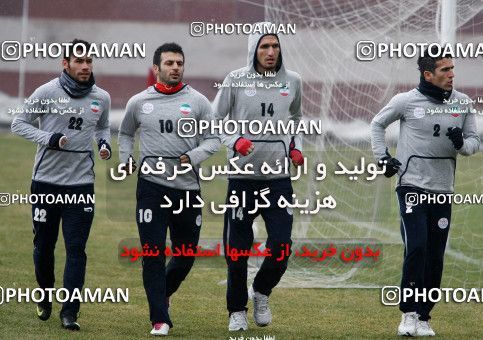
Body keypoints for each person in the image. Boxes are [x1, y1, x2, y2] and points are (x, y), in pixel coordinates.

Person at [370, 45, 480, 337]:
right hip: (411, 186)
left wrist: (461, 144)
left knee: (435, 255)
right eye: (445, 70)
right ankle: (407, 313)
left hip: (443, 190)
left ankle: (424, 316)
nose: (451, 74)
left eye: (452, 68)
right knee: (416, 246)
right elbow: (377, 124)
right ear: (428, 74)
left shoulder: (463, 103)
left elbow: (473, 143)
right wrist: (383, 158)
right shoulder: (406, 101)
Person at [118, 42, 220, 336]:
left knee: (186, 254)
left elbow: (213, 140)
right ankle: (159, 319)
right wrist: (126, 159)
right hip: (151, 188)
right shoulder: (139, 102)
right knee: (152, 253)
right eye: (169, 63)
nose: (175, 68)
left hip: (187, 190)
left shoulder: (199, 102)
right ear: (156, 68)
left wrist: (194, 156)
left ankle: (162, 295)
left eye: (179, 63)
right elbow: (125, 133)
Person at [11, 39, 111, 331]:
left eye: (89, 62)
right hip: (45, 184)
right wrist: (49, 139)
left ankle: (70, 312)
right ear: (65, 63)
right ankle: (44, 295)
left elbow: (103, 125)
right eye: (79, 61)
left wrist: (103, 143)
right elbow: (19, 124)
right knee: (43, 246)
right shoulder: (47, 92)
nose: (85, 67)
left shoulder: (101, 97)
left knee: (77, 249)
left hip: (81, 186)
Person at [213, 22, 304, 331]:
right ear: (253, 49)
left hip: (277, 178)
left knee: (281, 247)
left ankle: (261, 291)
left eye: (275, 46)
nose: (270, 52)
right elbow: (215, 120)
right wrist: (234, 140)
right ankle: (236, 310)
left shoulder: (292, 81)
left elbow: (296, 119)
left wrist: (296, 147)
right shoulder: (235, 80)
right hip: (242, 178)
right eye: (264, 46)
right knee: (237, 250)